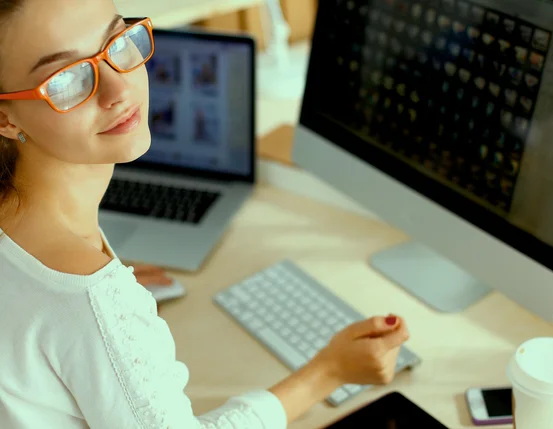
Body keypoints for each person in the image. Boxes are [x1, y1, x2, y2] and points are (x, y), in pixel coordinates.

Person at [0, 1, 411, 428]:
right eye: (66, 79)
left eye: (115, 42)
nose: (119, 90)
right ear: (4, 117)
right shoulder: (89, 299)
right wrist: (328, 372)